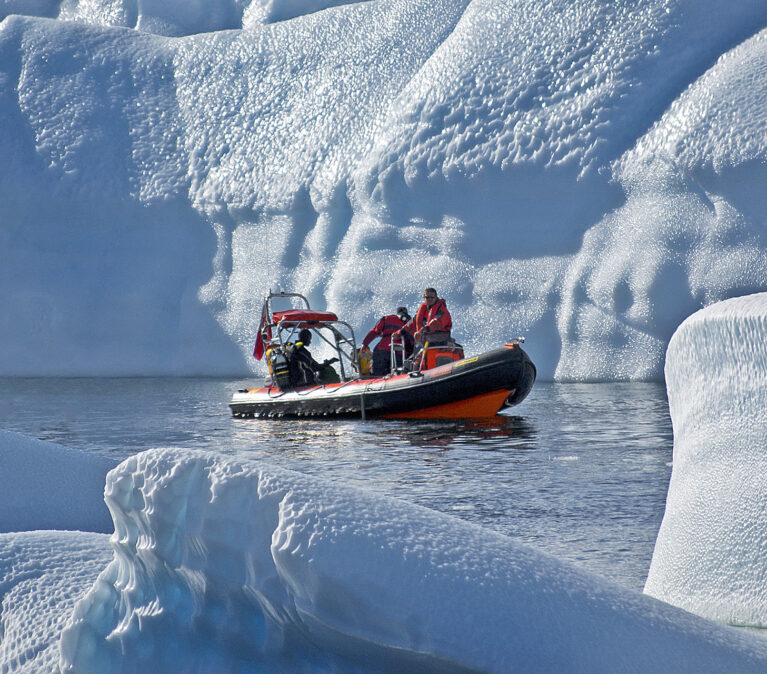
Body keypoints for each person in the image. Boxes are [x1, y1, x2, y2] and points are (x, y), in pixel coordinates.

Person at [361, 306, 412, 375]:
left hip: (381, 350)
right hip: (399, 353)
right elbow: (412, 341)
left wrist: (365, 344)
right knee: (398, 375)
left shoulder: (386, 319)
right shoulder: (410, 323)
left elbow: (374, 331)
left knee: (376, 376)